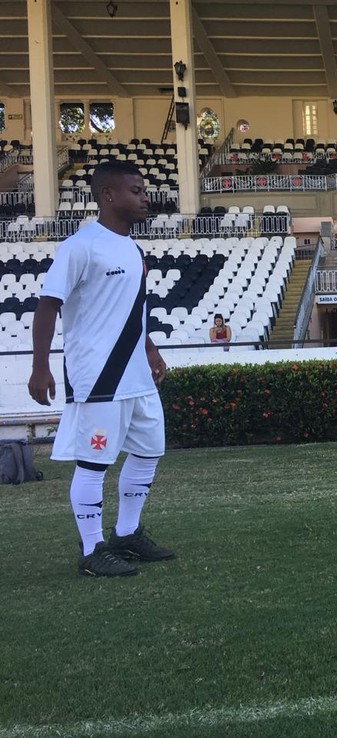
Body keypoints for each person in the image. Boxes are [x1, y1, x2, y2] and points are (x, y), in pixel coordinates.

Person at [28, 159, 175, 577]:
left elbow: (132, 311)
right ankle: (92, 551)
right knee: (94, 464)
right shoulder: (81, 245)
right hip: (98, 377)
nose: (145, 197)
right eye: (136, 190)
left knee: (149, 452)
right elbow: (47, 305)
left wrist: (149, 348)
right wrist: (40, 367)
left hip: (136, 376)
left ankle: (125, 535)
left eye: (144, 190)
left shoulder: (132, 248)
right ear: (108, 195)